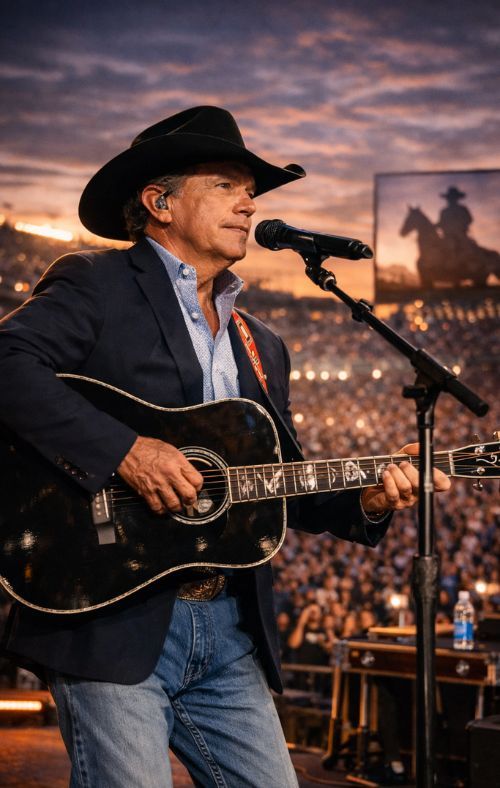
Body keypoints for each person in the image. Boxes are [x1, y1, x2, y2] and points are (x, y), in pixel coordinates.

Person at [0, 106, 451, 787]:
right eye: (226, 185)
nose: (249, 204)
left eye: (251, 191)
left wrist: (368, 497)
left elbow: (280, 479)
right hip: (111, 615)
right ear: (159, 203)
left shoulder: (262, 342)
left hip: (229, 626)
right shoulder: (98, 284)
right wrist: (127, 451)